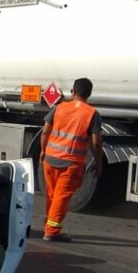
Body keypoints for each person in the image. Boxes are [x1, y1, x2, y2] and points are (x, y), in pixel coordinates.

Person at [39, 78, 103, 242]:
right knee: (61, 197)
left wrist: (43, 150)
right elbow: (96, 142)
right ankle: (52, 231)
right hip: (71, 163)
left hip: (50, 159)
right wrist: (98, 161)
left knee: (52, 195)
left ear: (73, 92)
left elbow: (45, 131)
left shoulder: (59, 107)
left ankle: (49, 225)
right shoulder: (92, 114)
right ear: (89, 94)